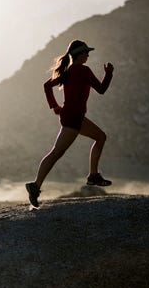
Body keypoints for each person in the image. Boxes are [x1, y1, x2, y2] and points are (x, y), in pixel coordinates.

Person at [25, 39, 114, 207]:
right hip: (74, 118)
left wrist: (55, 107)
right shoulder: (83, 71)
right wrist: (108, 73)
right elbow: (101, 90)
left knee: (99, 137)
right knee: (57, 152)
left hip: (72, 116)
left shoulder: (67, 71)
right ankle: (35, 186)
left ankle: (93, 175)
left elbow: (46, 86)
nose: (88, 55)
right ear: (80, 54)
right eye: (86, 52)